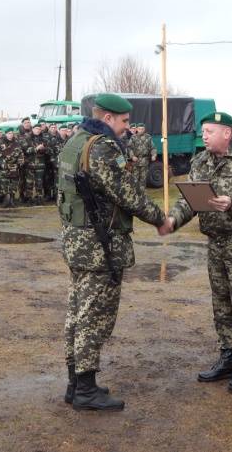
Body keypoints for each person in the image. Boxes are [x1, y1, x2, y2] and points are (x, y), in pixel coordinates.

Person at [59, 93, 166, 411]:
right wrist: (161, 219)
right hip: (99, 244)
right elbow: (128, 194)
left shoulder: (75, 141)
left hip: (77, 240)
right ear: (107, 118)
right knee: (94, 317)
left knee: (77, 312)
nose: (127, 127)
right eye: (124, 121)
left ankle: (75, 384)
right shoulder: (103, 147)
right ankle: (86, 390)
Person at [159, 112, 232, 393]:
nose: (204, 136)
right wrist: (173, 220)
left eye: (209, 132)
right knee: (221, 300)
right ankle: (228, 355)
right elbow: (190, 200)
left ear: (227, 133)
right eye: (204, 132)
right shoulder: (201, 161)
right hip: (215, 240)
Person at [0, 127, 24, 208]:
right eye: (9, 133)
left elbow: (21, 154)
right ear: (6, 134)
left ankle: (12, 200)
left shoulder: (17, 143)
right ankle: (6, 200)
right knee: (4, 184)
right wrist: (3, 164)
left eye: (12, 133)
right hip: (4, 167)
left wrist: (20, 163)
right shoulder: (0, 143)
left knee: (14, 184)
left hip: (14, 167)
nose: (11, 135)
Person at [127, 123, 157, 193]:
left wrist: (153, 155)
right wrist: (132, 156)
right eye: (139, 129)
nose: (141, 130)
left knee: (143, 179)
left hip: (144, 161)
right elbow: (129, 148)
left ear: (144, 129)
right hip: (135, 162)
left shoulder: (148, 137)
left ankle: (142, 194)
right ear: (137, 129)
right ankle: (135, 193)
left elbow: (153, 148)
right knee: (135, 178)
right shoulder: (133, 137)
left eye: (142, 129)